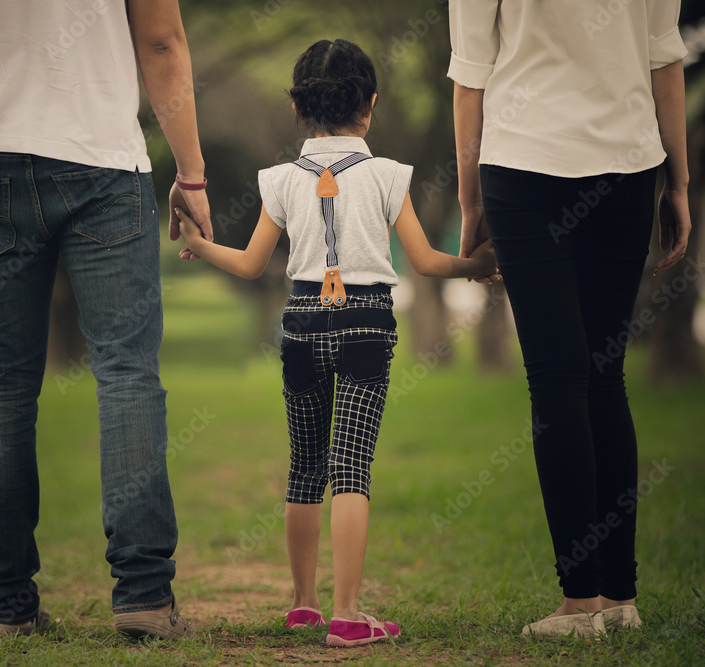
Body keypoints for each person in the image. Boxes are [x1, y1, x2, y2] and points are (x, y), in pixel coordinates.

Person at [177, 38, 498, 647]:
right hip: (365, 328)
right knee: (352, 467)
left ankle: (304, 604)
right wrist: (476, 266)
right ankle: (349, 614)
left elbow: (250, 265)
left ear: (298, 108)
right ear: (370, 105)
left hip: (300, 324)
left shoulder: (278, 180)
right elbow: (428, 261)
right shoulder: (387, 175)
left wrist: (197, 241)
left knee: (305, 465)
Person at [0, 0, 213, 640]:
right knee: (128, 373)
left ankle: (8, 609)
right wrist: (191, 172)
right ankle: (145, 601)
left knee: (2, 385)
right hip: (104, 163)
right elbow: (161, 41)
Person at [448, 0, 690, 638]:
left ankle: (579, 605)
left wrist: (470, 202)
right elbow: (665, 56)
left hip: (524, 166)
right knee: (605, 375)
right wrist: (681, 184)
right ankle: (619, 601)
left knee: (558, 383)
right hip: (631, 165)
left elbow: (470, 77)